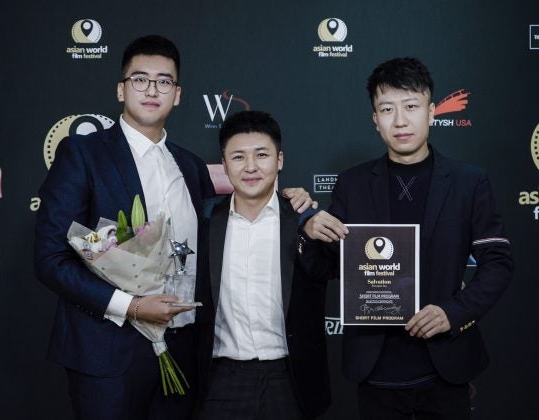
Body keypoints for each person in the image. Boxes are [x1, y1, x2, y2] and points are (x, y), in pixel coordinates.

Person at [34, 35, 314, 420]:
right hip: (108, 352)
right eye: (140, 79)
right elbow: (51, 258)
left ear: (177, 95)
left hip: (185, 349)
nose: (152, 90)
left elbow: (227, 228)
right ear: (121, 89)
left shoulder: (190, 166)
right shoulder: (83, 154)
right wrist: (133, 307)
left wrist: (292, 204)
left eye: (164, 81)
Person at [302, 57, 514, 419]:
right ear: (375, 119)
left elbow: (498, 263)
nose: (400, 120)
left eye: (411, 106)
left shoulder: (468, 181)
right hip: (375, 370)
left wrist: (453, 312)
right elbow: (329, 266)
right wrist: (307, 230)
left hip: (445, 367)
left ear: (431, 113)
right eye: (387, 109)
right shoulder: (352, 184)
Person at [195, 111, 332, 420]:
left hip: (291, 379)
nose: (251, 167)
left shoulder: (304, 220)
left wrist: (308, 221)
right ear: (224, 164)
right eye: (238, 157)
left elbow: (329, 270)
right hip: (220, 381)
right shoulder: (204, 221)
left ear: (279, 160)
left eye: (261, 155)